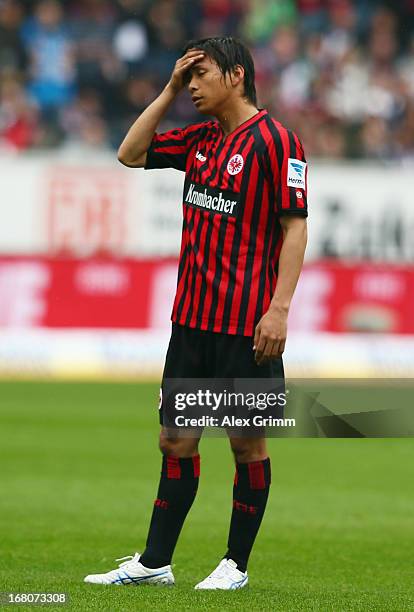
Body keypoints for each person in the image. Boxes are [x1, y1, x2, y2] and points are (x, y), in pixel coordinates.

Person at [84, 36, 308, 590]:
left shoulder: (278, 142)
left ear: (236, 75)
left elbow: (295, 226)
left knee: (245, 443)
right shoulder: (200, 140)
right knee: (175, 441)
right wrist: (165, 90)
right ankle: (156, 563)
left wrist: (279, 310)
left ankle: (235, 565)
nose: (192, 88)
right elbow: (130, 153)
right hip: (191, 323)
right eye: (186, 80)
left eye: (199, 76)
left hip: (245, 328)